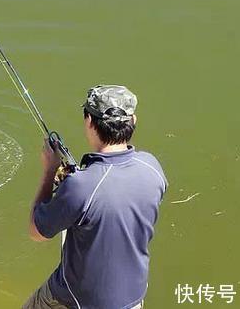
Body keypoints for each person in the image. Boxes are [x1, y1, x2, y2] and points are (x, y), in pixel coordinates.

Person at [24, 85, 168, 309]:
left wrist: (49, 171)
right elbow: (112, 201)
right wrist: (75, 184)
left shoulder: (81, 187)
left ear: (90, 121)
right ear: (133, 120)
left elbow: (36, 232)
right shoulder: (152, 167)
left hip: (78, 300)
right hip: (133, 298)